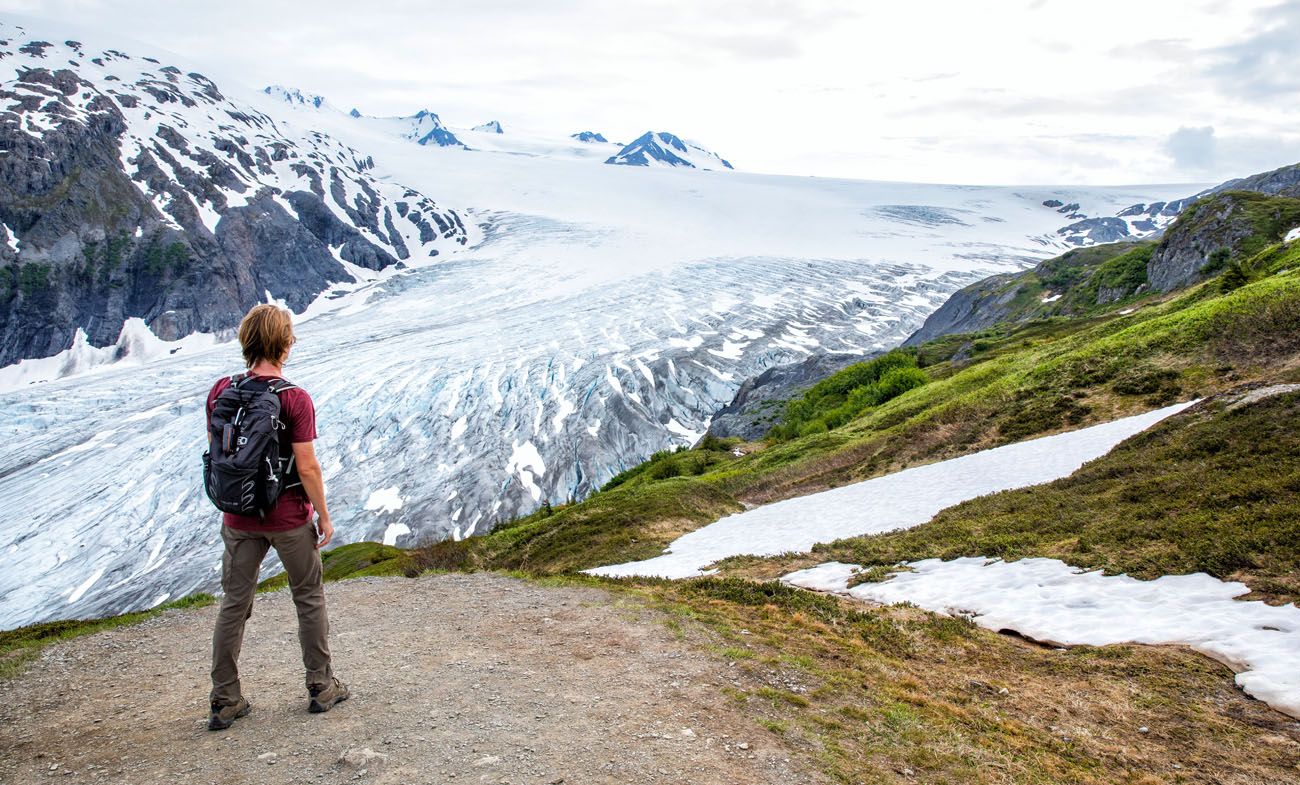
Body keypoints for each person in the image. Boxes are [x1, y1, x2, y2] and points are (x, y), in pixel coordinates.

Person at [205, 304, 349, 731]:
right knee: (308, 598)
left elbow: (222, 453)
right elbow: (306, 466)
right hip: (287, 517)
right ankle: (322, 686)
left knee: (234, 604)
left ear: (245, 341)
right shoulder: (294, 398)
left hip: (238, 518)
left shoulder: (220, 391)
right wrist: (322, 514)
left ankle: (225, 698)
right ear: (285, 344)